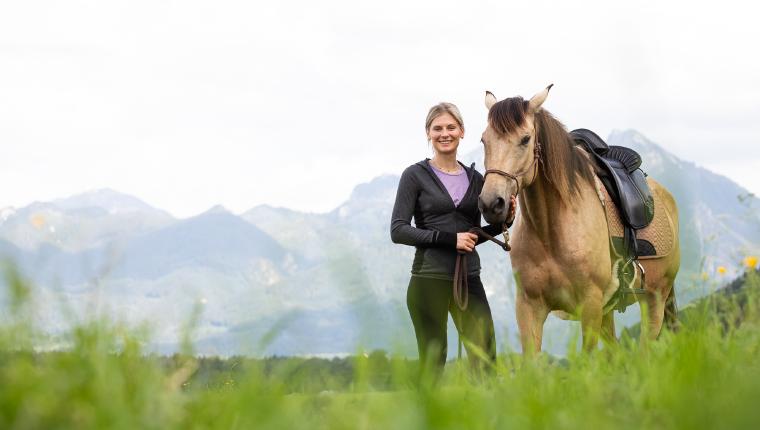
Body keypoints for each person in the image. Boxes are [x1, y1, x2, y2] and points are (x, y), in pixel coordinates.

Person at [390, 102, 515, 377]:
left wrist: (506, 222)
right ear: (428, 133)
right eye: (437, 128)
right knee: (433, 365)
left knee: (486, 362)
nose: (444, 133)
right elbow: (398, 230)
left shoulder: (476, 179)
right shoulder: (415, 176)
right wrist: (449, 239)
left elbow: (472, 236)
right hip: (428, 279)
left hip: (469, 279)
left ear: (461, 132)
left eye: (450, 127)